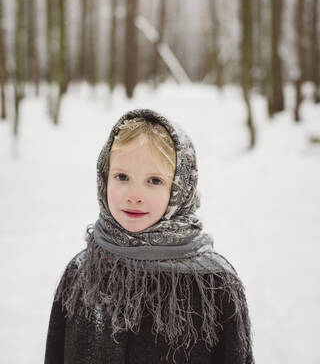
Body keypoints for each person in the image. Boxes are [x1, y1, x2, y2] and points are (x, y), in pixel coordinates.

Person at [44, 108, 254, 364]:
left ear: (180, 187)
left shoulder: (214, 284)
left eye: (154, 180)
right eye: (122, 176)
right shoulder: (82, 274)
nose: (134, 194)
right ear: (104, 178)